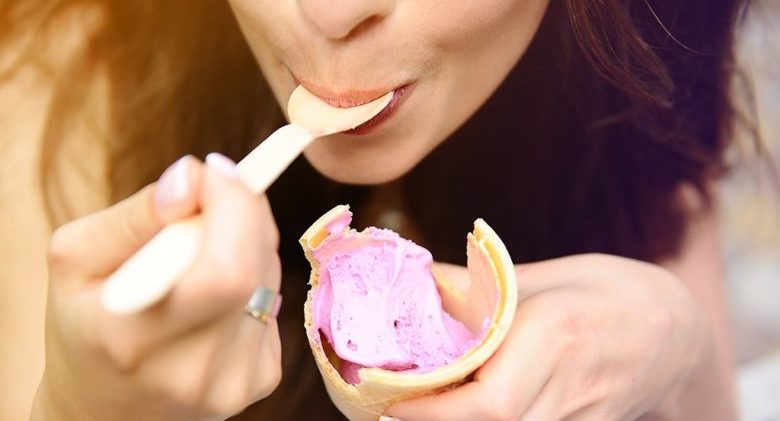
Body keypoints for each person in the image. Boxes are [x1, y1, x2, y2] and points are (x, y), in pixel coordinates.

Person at [0, 0, 748, 419]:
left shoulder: (622, 68)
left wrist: (675, 340)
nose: (329, 12)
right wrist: (76, 408)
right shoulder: (46, 98)